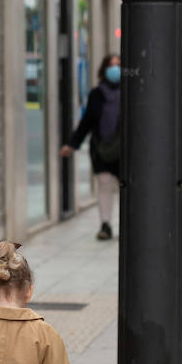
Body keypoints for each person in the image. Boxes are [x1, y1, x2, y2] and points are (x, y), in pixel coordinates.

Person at [62, 54, 122, 240]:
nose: (115, 69)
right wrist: (72, 144)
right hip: (101, 148)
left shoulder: (130, 92)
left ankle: (128, 224)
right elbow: (87, 121)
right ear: (104, 70)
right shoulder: (97, 94)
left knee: (125, 187)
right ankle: (105, 224)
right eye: (111, 65)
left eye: (118, 65)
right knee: (104, 185)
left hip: (124, 150)